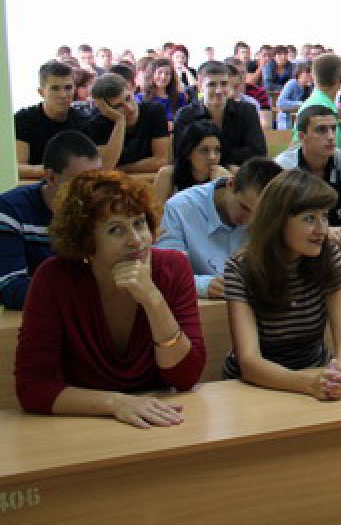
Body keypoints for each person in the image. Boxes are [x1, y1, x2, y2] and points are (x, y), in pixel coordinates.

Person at [14, 171, 206, 426]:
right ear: (86, 241)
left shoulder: (173, 267)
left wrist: (153, 301)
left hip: (161, 419)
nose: (136, 240)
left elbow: (186, 377)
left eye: (139, 223)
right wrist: (115, 403)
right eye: (116, 230)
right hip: (81, 426)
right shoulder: (54, 278)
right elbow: (33, 387)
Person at [222, 170, 341, 400]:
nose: (322, 230)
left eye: (325, 217)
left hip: (315, 373)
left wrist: (339, 374)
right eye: (309, 218)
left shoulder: (328, 256)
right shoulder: (241, 268)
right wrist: (308, 385)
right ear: (278, 221)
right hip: (257, 386)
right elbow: (249, 361)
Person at [0, 132, 103, 309]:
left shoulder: (102, 207)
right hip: (36, 317)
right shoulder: (10, 210)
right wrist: (83, 293)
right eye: (81, 182)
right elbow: (10, 288)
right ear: (51, 177)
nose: (91, 190)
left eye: (97, 180)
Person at [157, 157, 281, 299]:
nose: (249, 220)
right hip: (200, 304)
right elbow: (166, 273)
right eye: (244, 207)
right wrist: (203, 285)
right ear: (231, 184)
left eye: (258, 216)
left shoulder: (276, 215)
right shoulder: (179, 208)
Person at [275, 105, 341, 250]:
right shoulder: (284, 166)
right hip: (294, 245)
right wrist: (324, 230)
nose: (331, 137)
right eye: (321, 130)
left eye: (333, 129)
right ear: (302, 137)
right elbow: (280, 219)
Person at [173, 61, 267, 169]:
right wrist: (227, 160)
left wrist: (209, 156)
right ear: (199, 86)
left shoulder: (247, 111)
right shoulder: (185, 115)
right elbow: (182, 155)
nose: (219, 90)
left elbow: (258, 152)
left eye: (224, 84)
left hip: (238, 173)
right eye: (211, 84)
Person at [16, 61, 99, 179]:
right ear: (41, 92)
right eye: (55, 88)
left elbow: (95, 166)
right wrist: (58, 171)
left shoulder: (83, 121)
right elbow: (17, 168)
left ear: (74, 89)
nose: (63, 95)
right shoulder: (23, 120)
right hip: (35, 185)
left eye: (68, 88)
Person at [84, 73, 170, 174]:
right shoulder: (97, 124)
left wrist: (118, 170)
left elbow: (161, 161)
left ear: (131, 90)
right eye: (118, 106)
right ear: (104, 109)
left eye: (128, 98)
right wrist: (120, 121)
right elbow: (105, 167)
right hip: (116, 181)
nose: (130, 108)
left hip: (150, 178)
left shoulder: (154, 111)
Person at [152, 120, 232, 205]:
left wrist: (222, 187)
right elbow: (156, 212)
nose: (212, 157)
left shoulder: (228, 175)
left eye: (217, 150)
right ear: (188, 153)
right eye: (204, 150)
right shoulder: (168, 175)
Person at [136, 58, 189, 123]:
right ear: (151, 74)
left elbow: (185, 120)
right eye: (160, 72)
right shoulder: (140, 98)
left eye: (167, 73)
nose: (163, 77)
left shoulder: (180, 97)